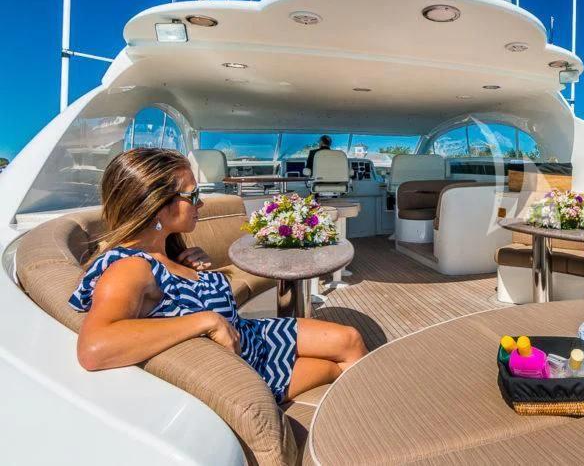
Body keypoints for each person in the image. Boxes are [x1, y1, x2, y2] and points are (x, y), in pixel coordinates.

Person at [70, 148, 367, 402]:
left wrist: (193, 269)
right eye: (193, 194)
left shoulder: (166, 252)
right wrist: (205, 320)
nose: (200, 203)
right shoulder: (130, 268)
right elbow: (94, 347)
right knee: (335, 367)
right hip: (252, 367)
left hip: (254, 335)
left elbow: (177, 298)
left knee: (350, 339)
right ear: (157, 205)